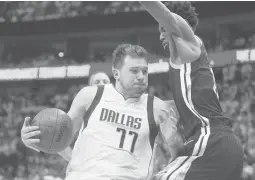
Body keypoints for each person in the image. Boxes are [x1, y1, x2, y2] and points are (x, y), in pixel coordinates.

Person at [21, 44, 182, 180]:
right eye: (134, 71)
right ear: (116, 73)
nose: (141, 76)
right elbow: (60, 137)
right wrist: (35, 138)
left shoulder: (157, 107)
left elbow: (179, 152)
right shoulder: (91, 95)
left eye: (144, 71)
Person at [140, 1, 244, 180]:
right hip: (219, 147)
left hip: (211, 142)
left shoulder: (189, 42)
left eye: (162, 30)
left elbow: (166, 16)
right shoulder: (184, 71)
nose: (160, 36)